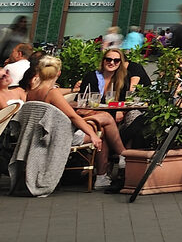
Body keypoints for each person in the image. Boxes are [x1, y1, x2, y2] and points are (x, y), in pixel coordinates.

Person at [26, 56, 122, 190]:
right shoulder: (52, 92)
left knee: (102, 120)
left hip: (43, 134)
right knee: (103, 126)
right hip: (59, 136)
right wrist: (93, 135)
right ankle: (117, 161)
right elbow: (72, 116)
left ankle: (107, 171)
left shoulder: (32, 92)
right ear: (58, 73)